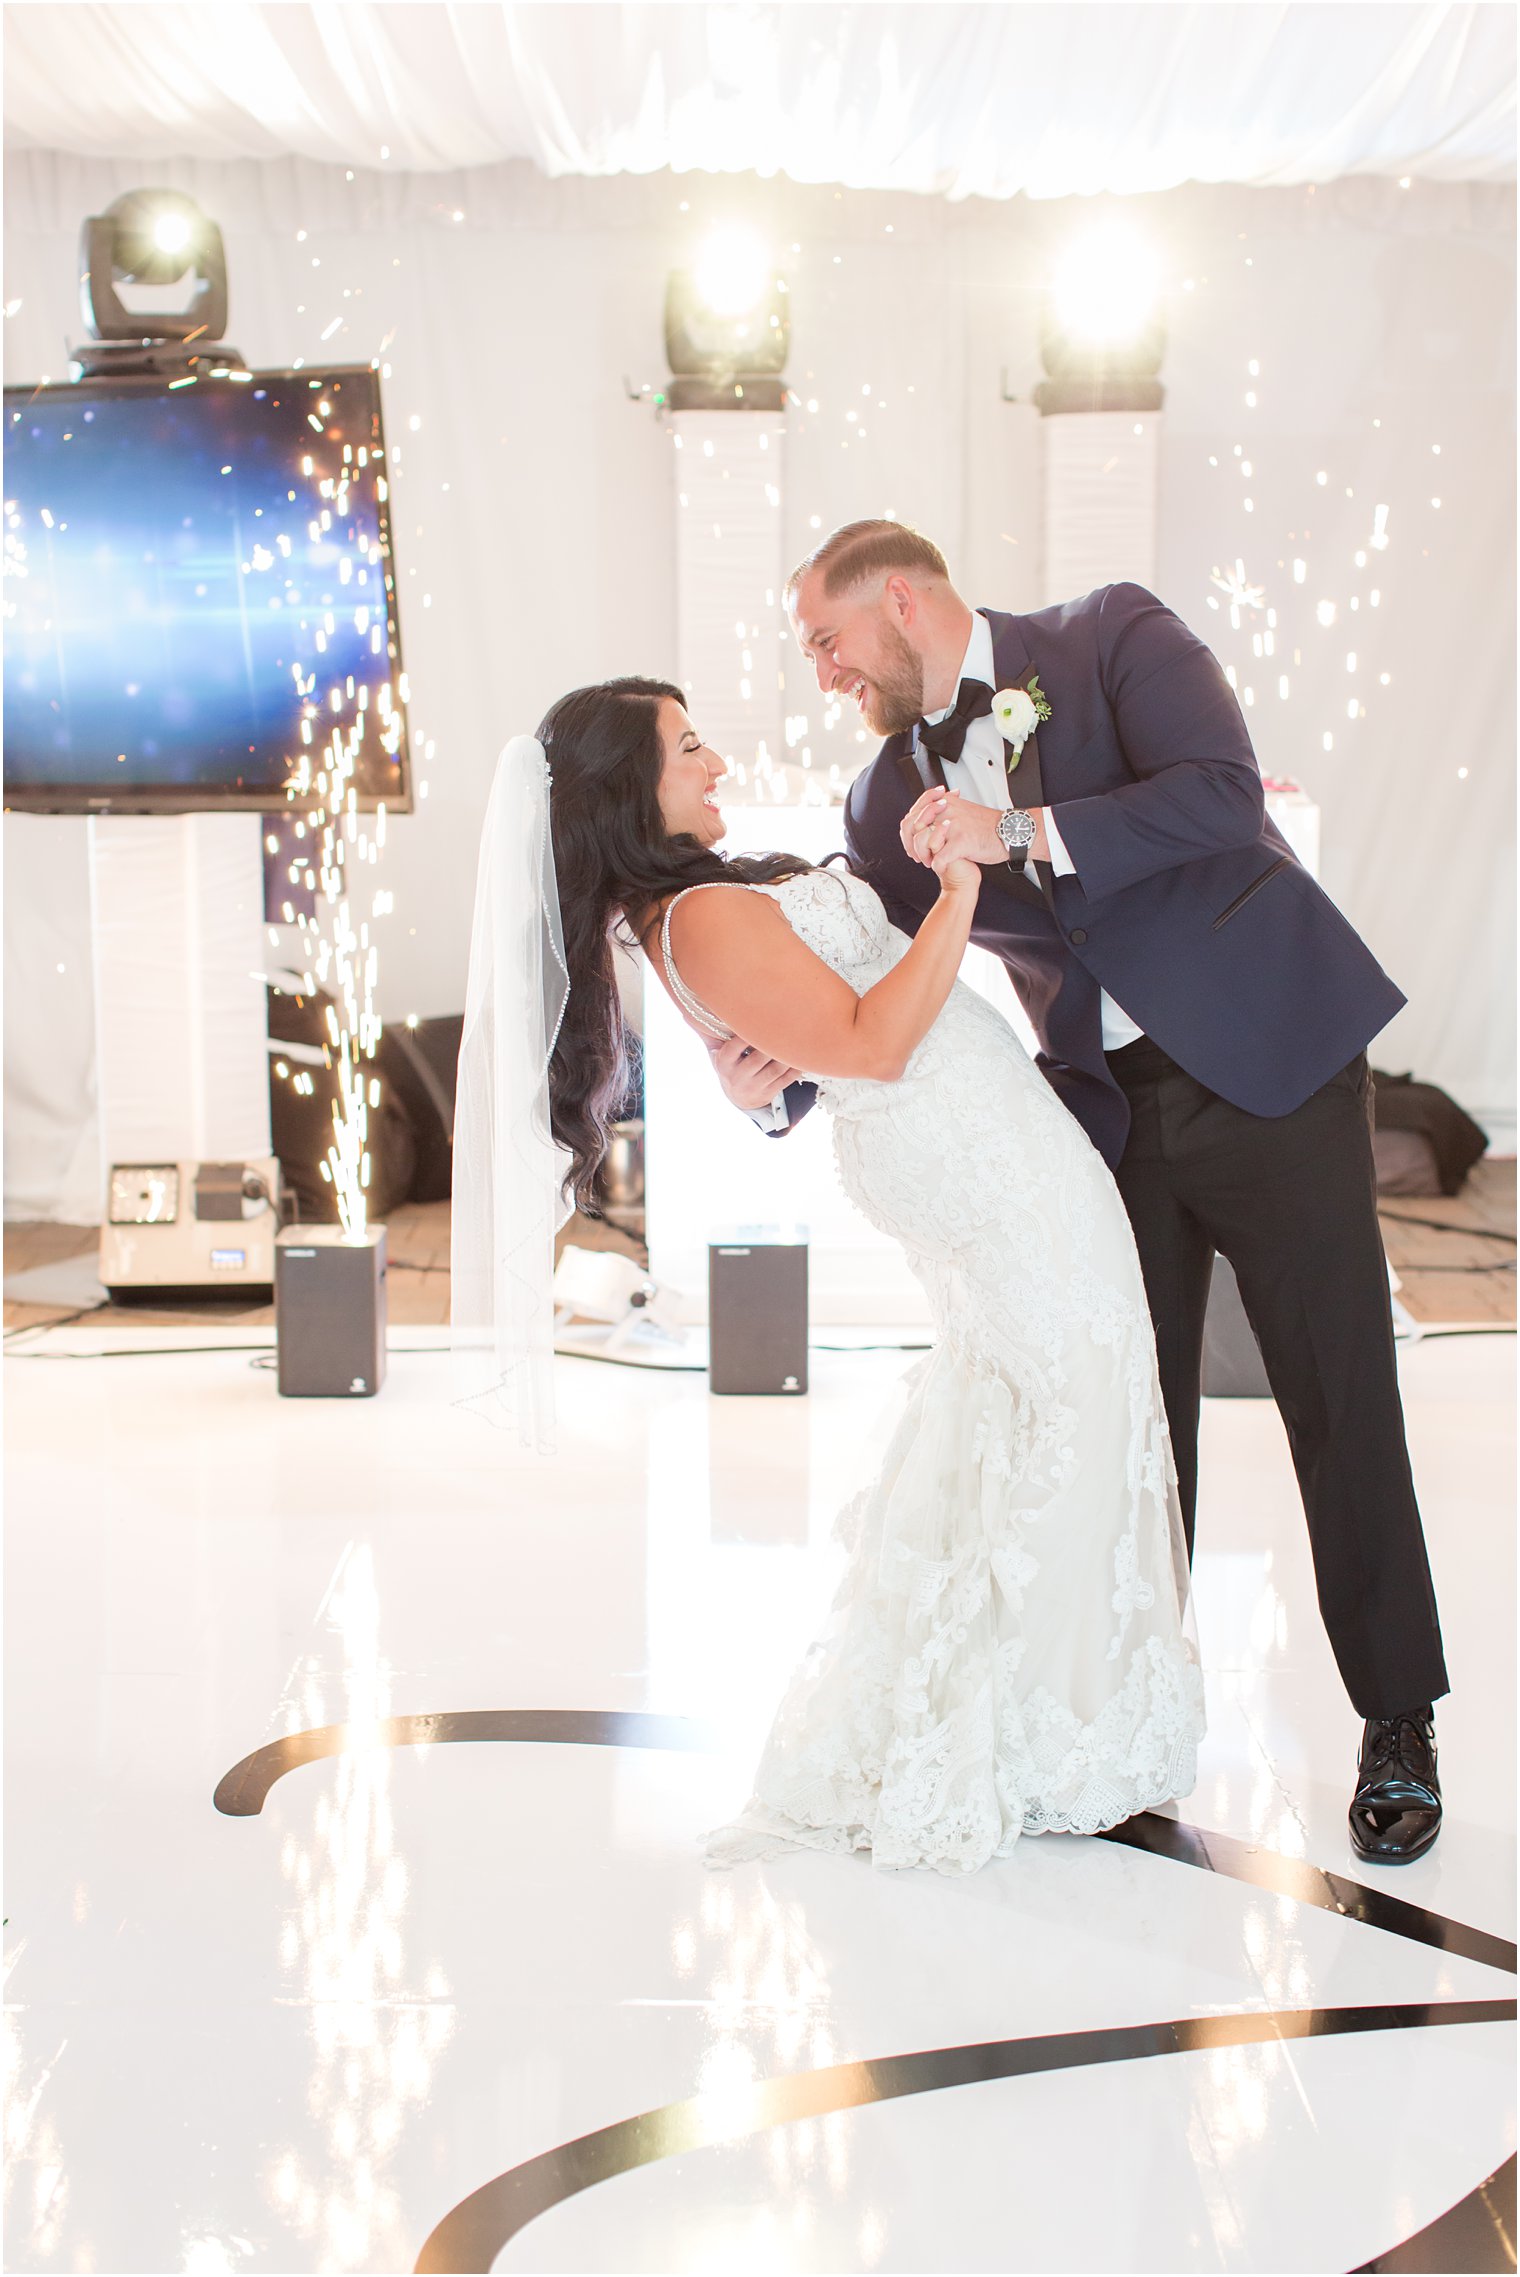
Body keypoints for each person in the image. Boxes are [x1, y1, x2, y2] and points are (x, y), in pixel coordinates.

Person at [712, 518, 1447, 1867]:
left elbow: (1224, 795)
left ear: (901, 600)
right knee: (1132, 1422)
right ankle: (1126, 1726)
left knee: (1337, 1395)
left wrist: (1024, 827)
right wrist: (781, 1081)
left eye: (825, 639)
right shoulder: (882, 801)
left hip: (1271, 1067)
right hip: (1109, 1124)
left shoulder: (1112, 637)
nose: (820, 673)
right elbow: (872, 979)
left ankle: (1399, 1720)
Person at [481, 674, 1206, 1876]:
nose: (715, 766)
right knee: (1076, 1394)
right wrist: (957, 896)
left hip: (981, 1148)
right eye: (690, 748)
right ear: (627, 790)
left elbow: (804, 1047)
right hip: (978, 1163)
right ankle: (1046, 1737)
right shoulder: (696, 915)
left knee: (1036, 1404)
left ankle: (1049, 1716)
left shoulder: (702, 896)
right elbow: (875, 1038)